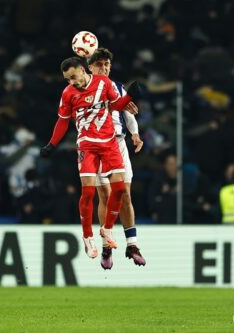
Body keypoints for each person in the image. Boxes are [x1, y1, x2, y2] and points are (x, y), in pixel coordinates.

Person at [40, 57, 140, 259]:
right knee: (88, 193)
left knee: (120, 190)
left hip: (110, 143)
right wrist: (52, 144)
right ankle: (88, 237)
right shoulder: (68, 93)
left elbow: (116, 105)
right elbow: (62, 121)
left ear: (83, 70)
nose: (71, 82)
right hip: (87, 145)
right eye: (68, 79)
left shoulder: (103, 83)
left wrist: (129, 97)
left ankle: (107, 230)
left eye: (73, 77)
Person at [87, 48, 146, 269]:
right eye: (100, 64)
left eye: (107, 64)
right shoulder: (83, 89)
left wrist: (135, 134)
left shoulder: (117, 87)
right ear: (90, 67)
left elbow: (129, 114)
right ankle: (106, 246)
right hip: (98, 145)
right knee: (106, 196)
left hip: (118, 143)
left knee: (125, 196)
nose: (104, 68)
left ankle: (132, 245)